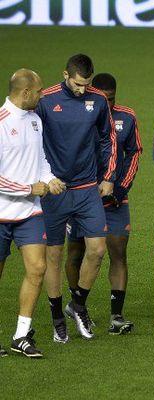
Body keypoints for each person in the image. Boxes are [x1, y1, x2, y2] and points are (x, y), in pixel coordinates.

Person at [36, 54, 118, 342]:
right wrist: (43, 179)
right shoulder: (45, 100)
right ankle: (57, 316)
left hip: (86, 188)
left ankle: (77, 305)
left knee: (97, 250)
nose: (83, 89)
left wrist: (107, 176)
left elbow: (109, 138)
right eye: (78, 83)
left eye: (87, 84)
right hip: (55, 189)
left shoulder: (97, 101)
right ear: (65, 75)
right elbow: (32, 141)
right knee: (54, 256)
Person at [64, 73, 142, 335]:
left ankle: (116, 316)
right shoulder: (78, 114)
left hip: (114, 199)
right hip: (79, 197)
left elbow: (133, 153)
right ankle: (79, 306)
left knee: (118, 252)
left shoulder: (127, 117)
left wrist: (121, 189)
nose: (107, 105)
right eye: (103, 99)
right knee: (76, 252)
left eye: (112, 99)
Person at [0, 69, 66, 358]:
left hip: (30, 212)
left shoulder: (36, 121)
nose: (42, 95)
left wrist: (49, 179)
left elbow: (40, 160)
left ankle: (21, 335)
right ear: (25, 92)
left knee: (37, 269)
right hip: (2, 213)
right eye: (39, 91)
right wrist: (30, 188)